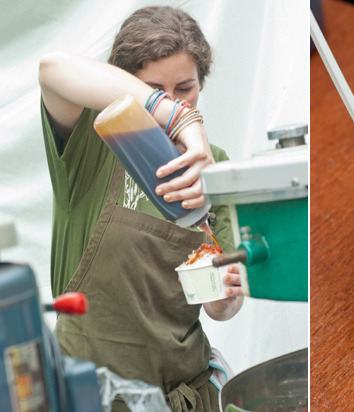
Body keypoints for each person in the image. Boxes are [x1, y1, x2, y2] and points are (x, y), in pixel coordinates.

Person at [38, 6, 243, 411]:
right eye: (153, 89)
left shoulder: (216, 168)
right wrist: (181, 118)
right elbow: (51, 68)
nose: (172, 100)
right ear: (123, 83)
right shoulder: (90, 142)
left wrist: (226, 295)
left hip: (185, 393)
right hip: (90, 396)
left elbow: (222, 304)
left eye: (185, 88)